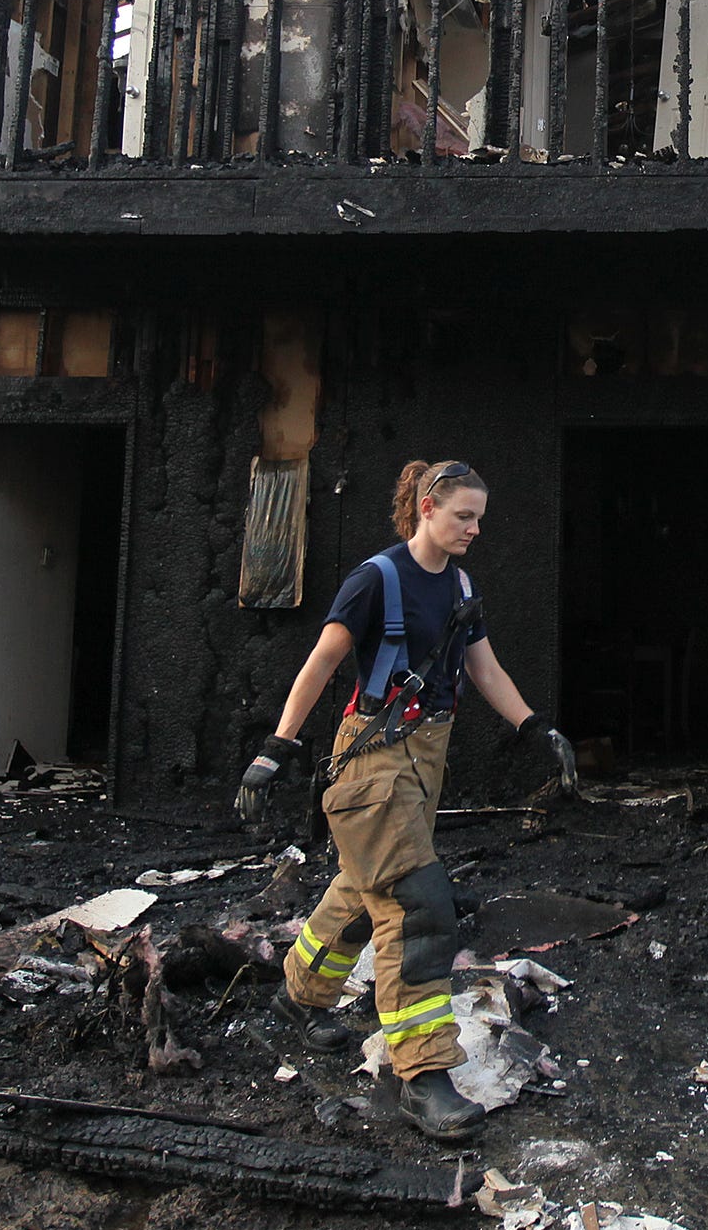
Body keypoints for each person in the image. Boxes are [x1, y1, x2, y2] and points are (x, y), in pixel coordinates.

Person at [234, 458, 548, 1142]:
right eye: (464, 516)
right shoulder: (375, 579)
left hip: (426, 756)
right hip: (373, 756)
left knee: (364, 884)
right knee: (415, 904)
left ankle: (300, 991)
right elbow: (321, 661)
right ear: (428, 507)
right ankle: (424, 1076)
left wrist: (533, 725)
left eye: (479, 520)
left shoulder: (461, 583)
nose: (473, 530)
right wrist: (278, 747)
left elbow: (482, 667)